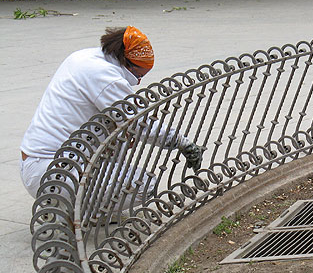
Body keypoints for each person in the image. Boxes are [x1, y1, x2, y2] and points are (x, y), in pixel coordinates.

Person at [20, 26, 203, 202]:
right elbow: (142, 124)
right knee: (145, 185)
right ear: (126, 62)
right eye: (138, 76)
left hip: (42, 163)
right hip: (55, 173)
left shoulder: (85, 57)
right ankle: (72, 215)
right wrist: (182, 143)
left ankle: (82, 208)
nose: (138, 82)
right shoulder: (104, 76)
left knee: (121, 140)